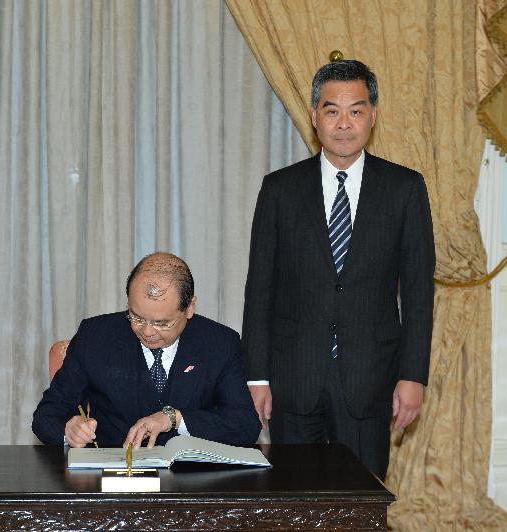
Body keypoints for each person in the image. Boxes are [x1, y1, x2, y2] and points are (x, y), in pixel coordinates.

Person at [242, 60, 435, 479]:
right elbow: (260, 289)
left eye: (356, 111)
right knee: (293, 498)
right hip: (293, 376)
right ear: (315, 117)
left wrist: (413, 376)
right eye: (332, 111)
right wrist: (256, 377)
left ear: (373, 116)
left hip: (370, 377)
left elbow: (419, 292)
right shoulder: (279, 189)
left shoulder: (404, 188)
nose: (344, 123)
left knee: (362, 498)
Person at [33, 252, 261, 449]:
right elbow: (47, 415)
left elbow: (245, 426)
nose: (148, 331)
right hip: (116, 474)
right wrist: (68, 431)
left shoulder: (220, 343)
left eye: (162, 323)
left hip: (192, 477)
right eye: (137, 317)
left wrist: (176, 419)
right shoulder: (95, 337)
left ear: (190, 307)